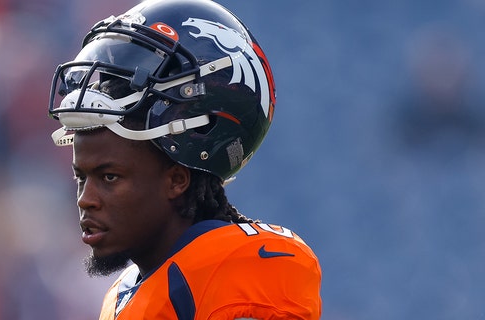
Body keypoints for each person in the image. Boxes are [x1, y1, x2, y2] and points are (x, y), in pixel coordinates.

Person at [46, 0, 322, 319]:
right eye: (81, 177)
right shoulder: (133, 289)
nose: (85, 200)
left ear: (177, 179)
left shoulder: (236, 271)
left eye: (109, 177)